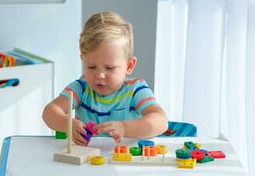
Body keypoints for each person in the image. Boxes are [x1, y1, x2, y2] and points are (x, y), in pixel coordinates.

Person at [43, 11, 168, 146]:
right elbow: (49, 112)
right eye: (91, 67)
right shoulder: (81, 88)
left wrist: (125, 128)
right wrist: (68, 124)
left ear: (129, 65)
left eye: (109, 68)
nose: (99, 75)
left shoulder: (136, 90)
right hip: (86, 161)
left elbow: (161, 122)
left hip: (123, 160)